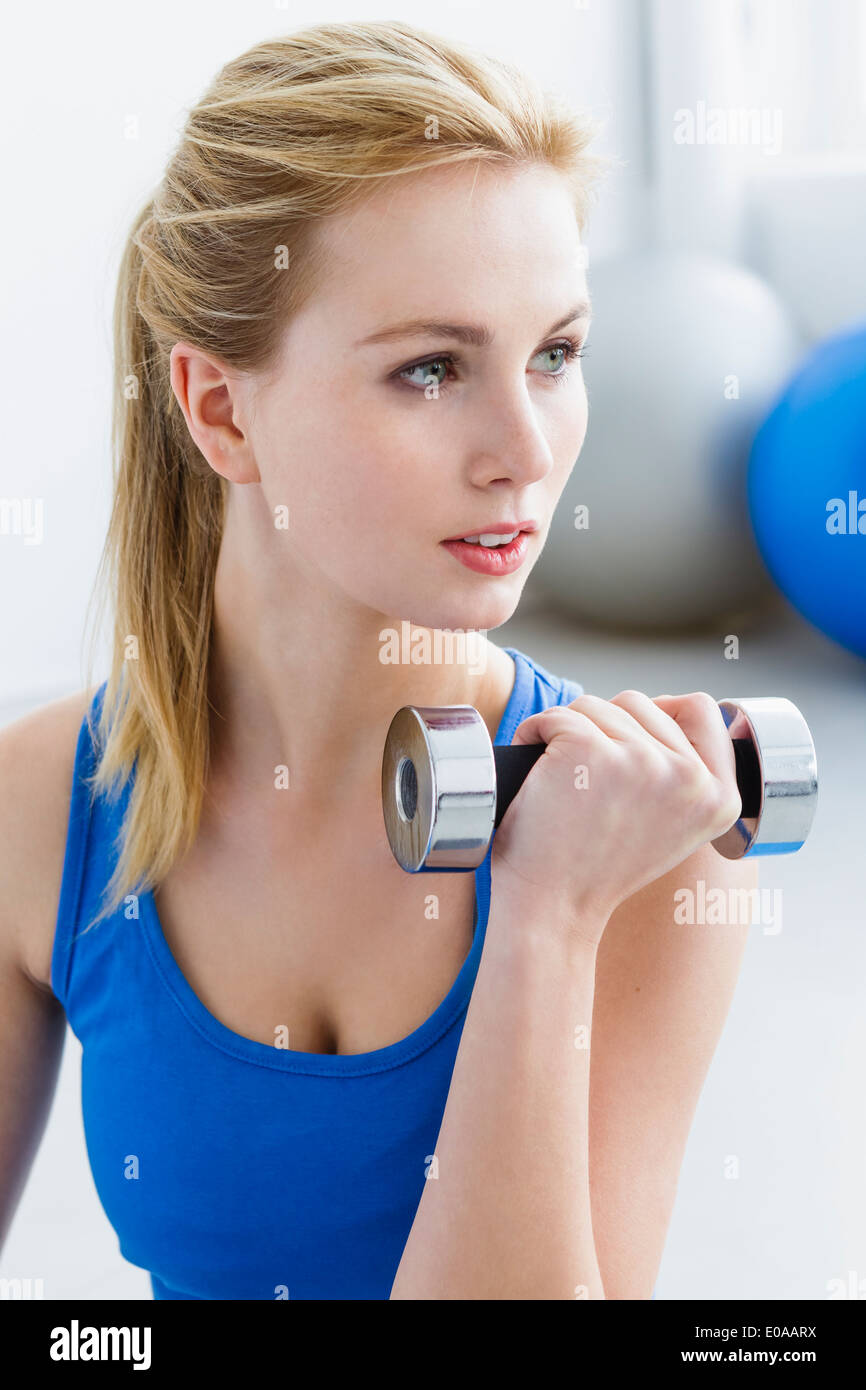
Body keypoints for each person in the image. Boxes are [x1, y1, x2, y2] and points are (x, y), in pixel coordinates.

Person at [0, 19, 755, 1300]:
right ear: (220, 408)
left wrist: (547, 916)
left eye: (554, 354)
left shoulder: (645, 836)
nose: (523, 445)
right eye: (428, 368)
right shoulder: (38, 809)